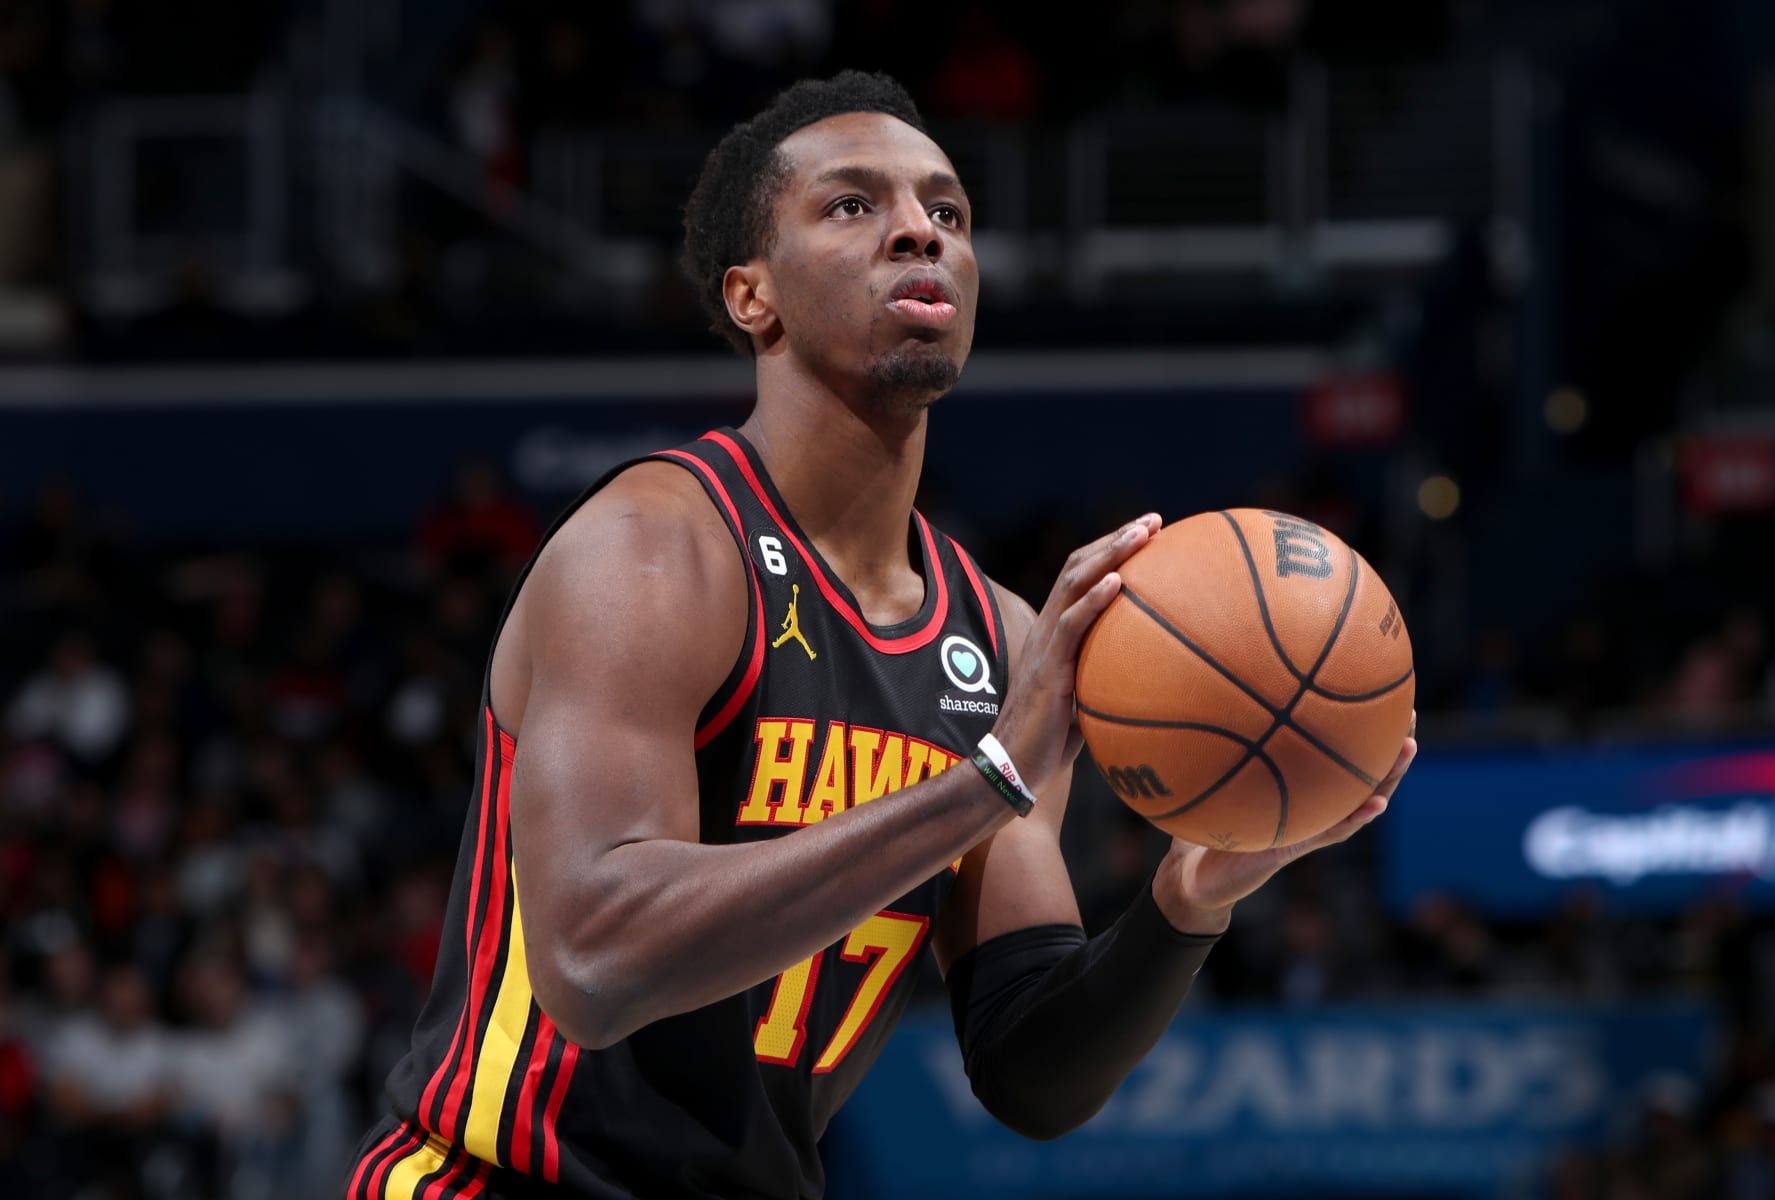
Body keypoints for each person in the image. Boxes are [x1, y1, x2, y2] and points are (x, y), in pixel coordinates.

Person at [346, 70, 1415, 1199]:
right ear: (751, 297)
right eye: (853, 205)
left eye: (947, 212)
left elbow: (1030, 1071)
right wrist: (987, 781)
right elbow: (593, 960)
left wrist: (1189, 902)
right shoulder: (656, 551)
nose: (920, 229)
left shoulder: (999, 637)